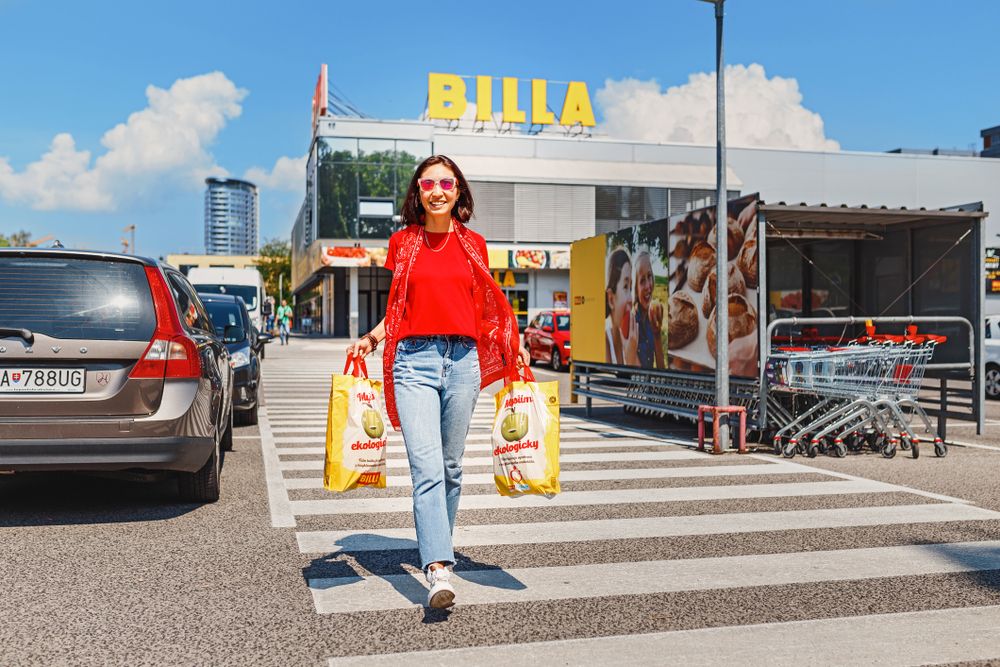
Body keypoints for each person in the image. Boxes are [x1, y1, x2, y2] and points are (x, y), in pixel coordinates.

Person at [346, 155, 529, 610]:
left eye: (447, 182)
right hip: (413, 362)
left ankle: (437, 546)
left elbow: (486, 309)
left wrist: (512, 344)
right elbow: (398, 310)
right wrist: (372, 338)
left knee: (450, 467)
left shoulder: (475, 245)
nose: (438, 190)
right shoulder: (403, 243)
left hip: (463, 362)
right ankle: (438, 568)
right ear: (418, 193)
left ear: (459, 192)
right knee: (426, 467)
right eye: (428, 183)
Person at [633, 250, 666, 369]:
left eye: (649, 276)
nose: (648, 286)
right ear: (635, 288)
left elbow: (661, 369)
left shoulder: (652, 317)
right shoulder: (631, 323)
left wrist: (657, 334)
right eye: (642, 281)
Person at [605, 247, 638, 365]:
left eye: (631, 287)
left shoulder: (629, 341)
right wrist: (630, 360)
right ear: (611, 299)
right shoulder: (605, 342)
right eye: (625, 286)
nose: (631, 299)